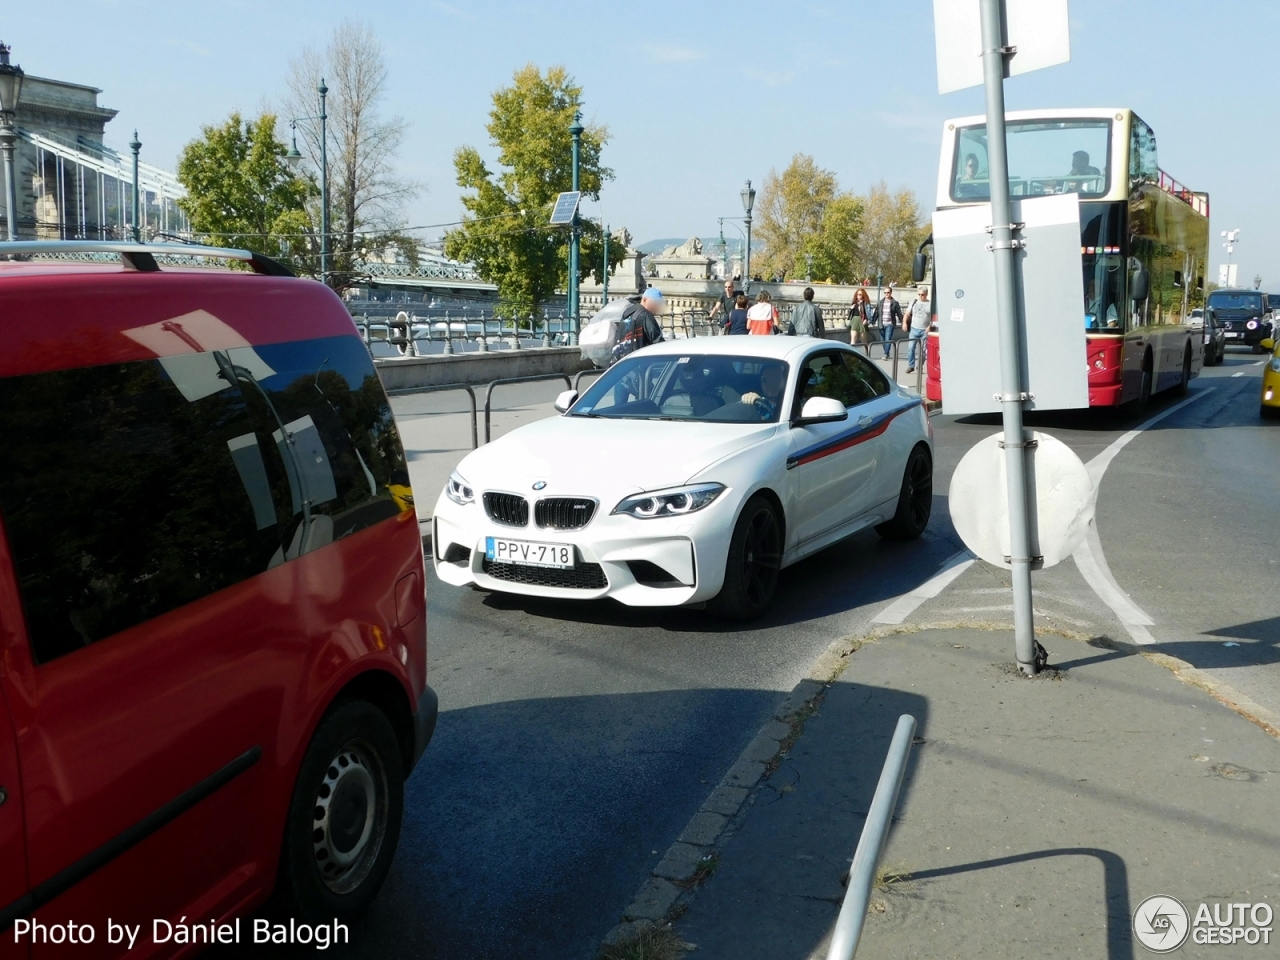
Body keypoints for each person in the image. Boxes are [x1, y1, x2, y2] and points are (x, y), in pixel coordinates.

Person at [612, 287, 666, 364]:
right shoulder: (645, 315)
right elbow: (658, 341)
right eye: (655, 303)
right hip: (638, 362)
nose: (657, 307)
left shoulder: (628, 312)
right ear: (644, 300)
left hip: (621, 361)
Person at [903, 287, 931, 373]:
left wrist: (929, 326)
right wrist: (904, 323)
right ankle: (911, 365)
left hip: (924, 330)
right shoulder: (914, 302)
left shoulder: (930, 304)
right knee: (910, 348)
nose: (920, 296)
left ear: (926, 294)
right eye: (919, 294)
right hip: (914, 328)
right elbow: (907, 314)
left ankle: (919, 366)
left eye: (922, 295)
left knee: (923, 351)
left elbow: (934, 317)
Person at [874, 285, 903, 359]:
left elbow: (899, 313)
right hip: (881, 323)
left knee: (888, 339)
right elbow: (877, 312)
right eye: (885, 292)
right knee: (882, 340)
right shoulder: (881, 302)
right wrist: (873, 320)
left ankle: (886, 354)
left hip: (890, 324)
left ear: (891, 293)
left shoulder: (895, 303)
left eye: (888, 292)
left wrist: (902, 321)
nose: (886, 294)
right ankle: (887, 352)